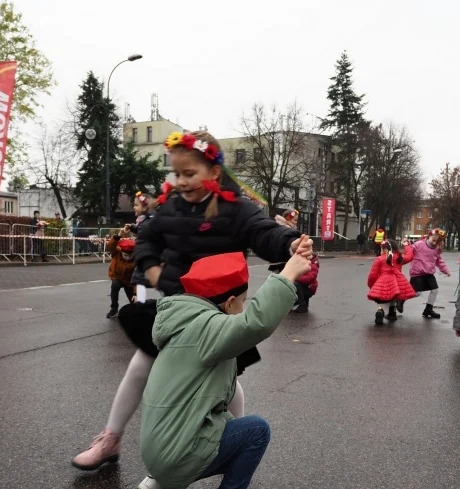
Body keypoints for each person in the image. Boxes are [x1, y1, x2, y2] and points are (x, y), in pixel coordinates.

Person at [72, 129, 312, 470]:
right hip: (178, 307)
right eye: (177, 174)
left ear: (213, 172)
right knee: (142, 364)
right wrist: (152, 270)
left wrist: (289, 243)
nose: (181, 181)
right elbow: (146, 239)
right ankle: (110, 439)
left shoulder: (236, 209)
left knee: (227, 380)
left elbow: (263, 232)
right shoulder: (170, 207)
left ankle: (233, 443)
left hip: (219, 310)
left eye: (189, 173)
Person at [138, 249, 311, 489]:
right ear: (229, 303)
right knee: (256, 431)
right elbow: (256, 323)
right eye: (243, 302)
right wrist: (288, 275)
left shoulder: (183, 323)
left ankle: (162, 485)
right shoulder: (209, 328)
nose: (244, 307)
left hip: (157, 451)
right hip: (174, 453)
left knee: (226, 419)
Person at [367, 239, 416, 325]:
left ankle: (381, 311)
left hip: (383, 281)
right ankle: (392, 313)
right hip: (397, 281)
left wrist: (371, 285)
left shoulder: (379, 259)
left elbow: (373, 275)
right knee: (394, 295)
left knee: (383, 299)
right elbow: (409, 256)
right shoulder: (400, 258)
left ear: (384, 249)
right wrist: (406, 245)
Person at [409, 228, 451, 319]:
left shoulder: (437, 249)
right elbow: (409, 252)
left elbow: (439, 261)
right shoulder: (419, 244)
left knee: (435, 290)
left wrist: (446, 270)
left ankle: (428, 309)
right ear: (429, 236)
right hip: (418, 273)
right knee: (417, 293)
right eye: (434, 240)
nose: (435, 243)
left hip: (428, 272)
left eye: (438, 242)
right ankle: (401, 299)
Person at [130, 191, 157, 304]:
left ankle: (169, 299)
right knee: (140, 280)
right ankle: (140, 302)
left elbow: (145, 232)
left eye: (136, 205)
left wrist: (136, 229)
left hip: (149, 254)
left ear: (144, 207)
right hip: (144, 253)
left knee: (152, 279)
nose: (134, 207)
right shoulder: (143, 219)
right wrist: (133, 228)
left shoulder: (149, 219)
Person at [106, 232, 136, 319]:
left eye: (130, 256)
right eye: (125, 255)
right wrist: (118, 236)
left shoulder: (137, 260)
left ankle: (135, 311)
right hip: (117, 277)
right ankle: (114, 308)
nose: (128, 258)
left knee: (135, 301)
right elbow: (110, 245)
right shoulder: (116, 252)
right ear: (122, 252)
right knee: (115, 285)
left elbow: (138, 277)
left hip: (130, 281)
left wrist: (135, 293)